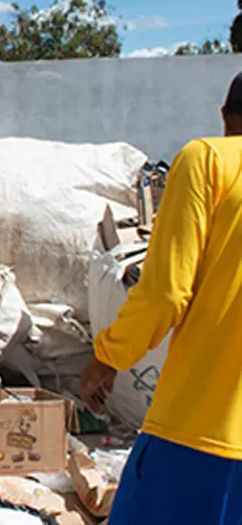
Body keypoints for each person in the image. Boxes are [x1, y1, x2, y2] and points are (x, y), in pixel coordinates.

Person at [81, 72, 242, 524]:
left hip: (202, 431)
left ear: (226, 117)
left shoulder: (208, 160)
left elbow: (166, 294)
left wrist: (108, 357)